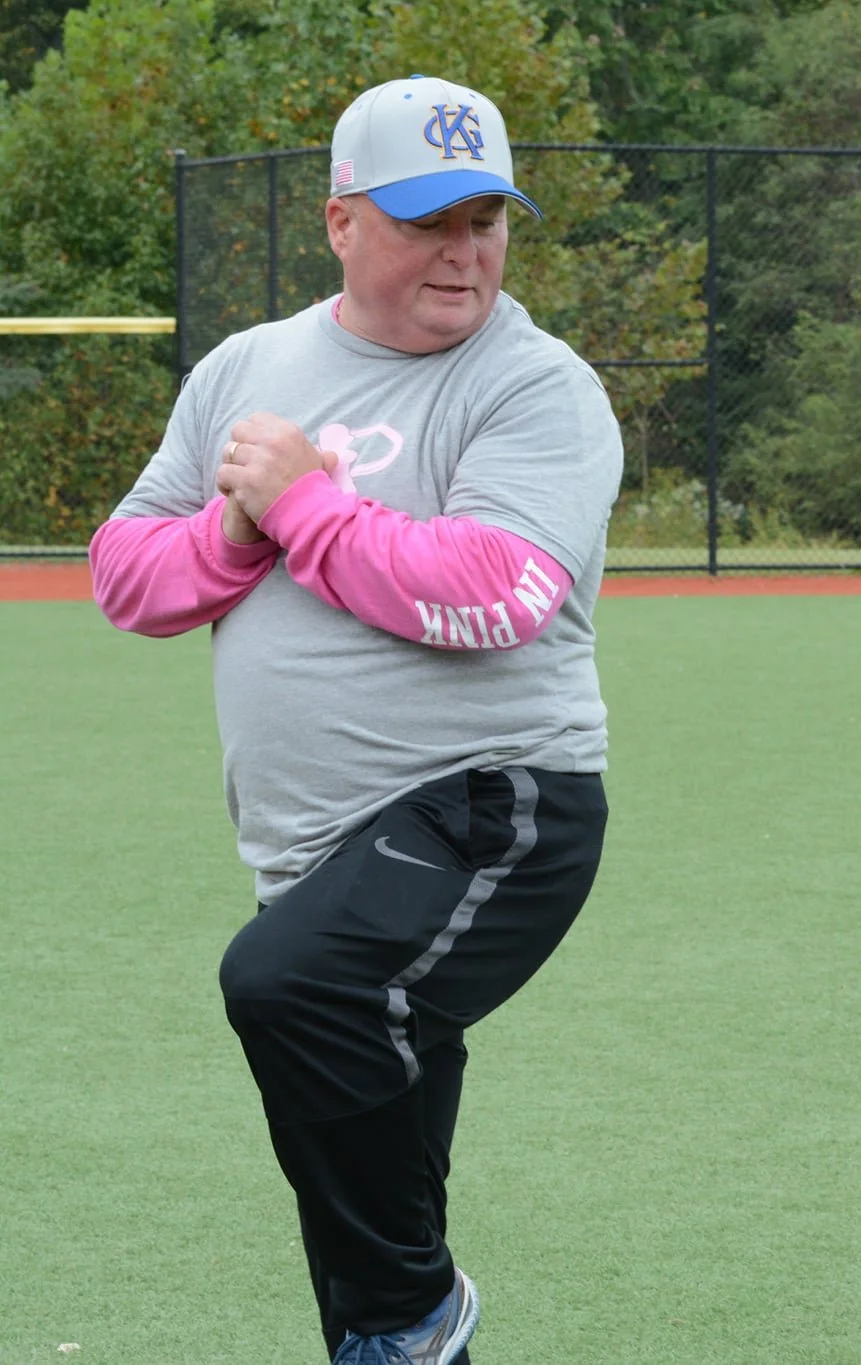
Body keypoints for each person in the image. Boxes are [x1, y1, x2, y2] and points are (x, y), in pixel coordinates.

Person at [89, 74, 622, 1365]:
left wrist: (305, 508)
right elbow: (123, 574)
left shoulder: (538, 387)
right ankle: (394, 1335)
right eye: (431, 218)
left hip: (495, 807)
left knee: (284, 986)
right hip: (313, 847)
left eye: (488, 218)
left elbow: (499, 591)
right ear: (339, 223)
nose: (466, 251)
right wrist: (235, 524)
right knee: (373, 1155)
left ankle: (415, 1316)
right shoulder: (247, 370)